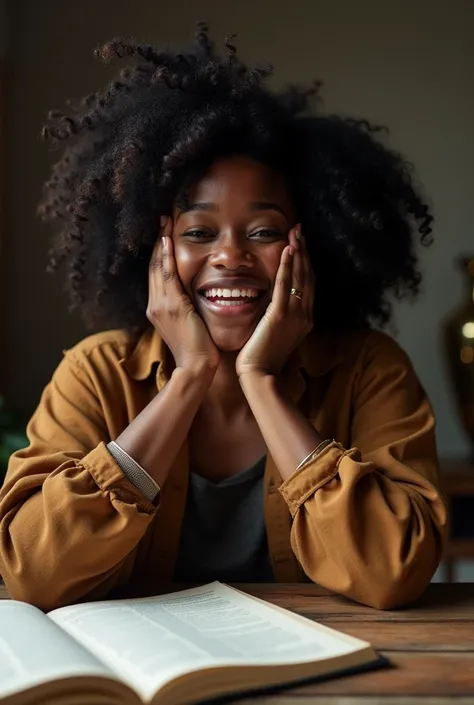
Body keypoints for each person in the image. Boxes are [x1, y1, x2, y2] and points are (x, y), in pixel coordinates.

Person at [0, 25, 447, 611]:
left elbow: (394, 570)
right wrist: (188, 378)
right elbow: (34, 574)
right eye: (198, 233)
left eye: (262, 232)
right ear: (153, 249)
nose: (230, 257)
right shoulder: (97, 373)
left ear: (316, 246)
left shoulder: (369, 370)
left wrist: (260, 380)